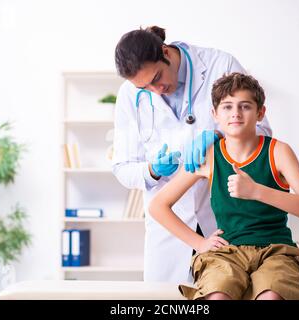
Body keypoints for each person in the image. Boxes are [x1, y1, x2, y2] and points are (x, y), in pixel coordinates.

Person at [112, 26, 272, 283]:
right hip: (168, 228)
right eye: (145, 87)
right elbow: (122, 167)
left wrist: (220, 137)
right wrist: (152, 170)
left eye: (157, 77)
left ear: (165, 52)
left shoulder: (221, 65)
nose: (156, 89)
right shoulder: (130, 95)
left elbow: (262, 132)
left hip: (224, 214)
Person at [149, 72, 299, 300]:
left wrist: (257, 191)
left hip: (277, 251)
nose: (235, 113)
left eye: (245, 106)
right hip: (226, 253)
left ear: (260, 113)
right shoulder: (210, 156)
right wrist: (200, 243)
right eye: (227, 107)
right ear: (214, 114)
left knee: (271, 297)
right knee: (217, 296)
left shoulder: (278, 152)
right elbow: (158, 206)